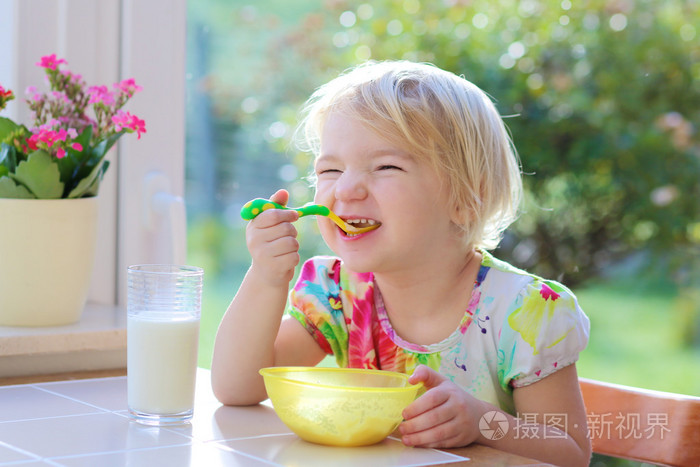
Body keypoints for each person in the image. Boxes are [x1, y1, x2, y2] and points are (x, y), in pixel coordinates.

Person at [211, 60, 591, 466]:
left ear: (466, 200)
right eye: (330, 168)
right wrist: (267, 278)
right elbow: (238, 388)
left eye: (386, 167)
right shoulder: (337, 293)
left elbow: (570, 454)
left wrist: (482, 423)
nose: (346, 188)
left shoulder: (524, 313)